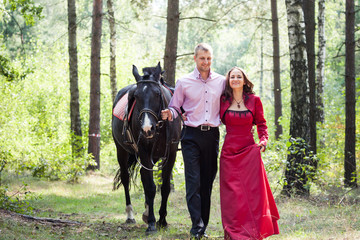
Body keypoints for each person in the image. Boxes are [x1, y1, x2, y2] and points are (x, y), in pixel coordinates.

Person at [161, 43, 226, 239]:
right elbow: (176, 107)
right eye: (202, 58)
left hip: (212, 136)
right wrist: (169, 113)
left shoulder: (222, 81)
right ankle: (196, 227)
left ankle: (203, 226)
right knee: (193, 182)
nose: (205, 62)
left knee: (206, 183)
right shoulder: (184, 81)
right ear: (195, 58)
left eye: (208, 58)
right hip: (190, 136)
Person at [219, 66, 280, 239]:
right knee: (232, 196)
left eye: (239, 76)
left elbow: (262, 124)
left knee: (252, 194)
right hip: (229, 153)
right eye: (232, 77)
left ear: (244, 80)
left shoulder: (255, 100)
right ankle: (232, 231)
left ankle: (253, 230)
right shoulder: (222, 99)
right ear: (228, 81)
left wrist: (263, 141)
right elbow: (208, 115)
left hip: (249, 152)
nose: (236, 79)